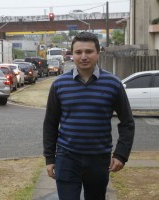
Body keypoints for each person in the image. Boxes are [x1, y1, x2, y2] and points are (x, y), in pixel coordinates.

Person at [43, 31, 135, 200]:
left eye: (89, 51)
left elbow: (127, 122)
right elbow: (50, 123)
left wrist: (121, 154)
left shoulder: (113, 84)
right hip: (66, 158)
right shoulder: (59, 85)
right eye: (78, 52)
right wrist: (50, 158)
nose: (83, 56)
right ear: (72, 54)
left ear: (98, 53)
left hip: (99, 160)